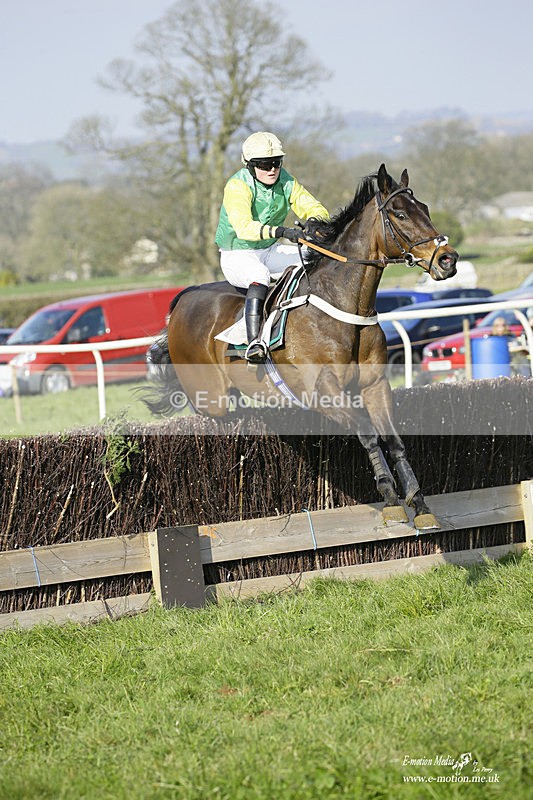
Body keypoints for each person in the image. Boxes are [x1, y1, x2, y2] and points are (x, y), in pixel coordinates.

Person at [215, 131, 329, 362]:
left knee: (313, 258)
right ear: (249, 166)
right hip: (237, 254)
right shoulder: (237, 186)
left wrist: (314, 222)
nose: (272, 169)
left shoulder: (286, 180)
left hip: (268, 250)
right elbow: (244, 228)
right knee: (259, 275)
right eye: (264, 164)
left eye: (276, 163)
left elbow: (315, 207)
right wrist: (282, 231)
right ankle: (254, 342)